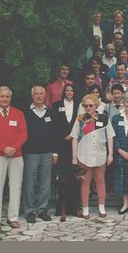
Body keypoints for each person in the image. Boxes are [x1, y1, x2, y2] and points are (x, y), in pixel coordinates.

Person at [0, 86, 28, 230]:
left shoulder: (18, 113)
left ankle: (12, 217)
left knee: (16, 186)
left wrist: (13, 148)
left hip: (16, 155)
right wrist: (4, 148)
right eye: (2, 96)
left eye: (7, 96)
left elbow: (23, 133)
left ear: (10, 98)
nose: (4, 99)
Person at [71, 93, 114, 219]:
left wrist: (110, 154)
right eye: (86, 106)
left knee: (100, 181)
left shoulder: (104, 118)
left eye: (91, 105)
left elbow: (110, 136)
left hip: (100, 155)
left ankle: (102, 207)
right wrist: (74, 157)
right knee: (85, 183)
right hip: (83, 155)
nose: (88, 108)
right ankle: (85, 209)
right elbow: (74, 138)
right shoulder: (80, 119)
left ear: (96, 106)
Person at [21, 86, 58, 223]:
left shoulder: (51, 113)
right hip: (30, 154)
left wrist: (55, 153)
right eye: (36, 94)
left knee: (45, 184)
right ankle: (30, 211)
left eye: (41, 94)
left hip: (47, 153)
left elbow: (55, 134)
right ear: (32, 96)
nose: (38, 96)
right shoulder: (26, 113)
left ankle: (42, 209)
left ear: (44, 96)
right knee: (29, 184)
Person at [52, 83, 79, 220]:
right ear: (64, 92)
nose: (69, 92)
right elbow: (55, 126)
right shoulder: (57, 105)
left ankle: (73, 207)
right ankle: (60, 208)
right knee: (62, 178)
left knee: (74, 178)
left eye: (71, 90)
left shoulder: (79, 105)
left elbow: (81, 122)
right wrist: (55, 152)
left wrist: (73, 135)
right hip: (61, 145)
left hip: (75, 146)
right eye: (67, 90)